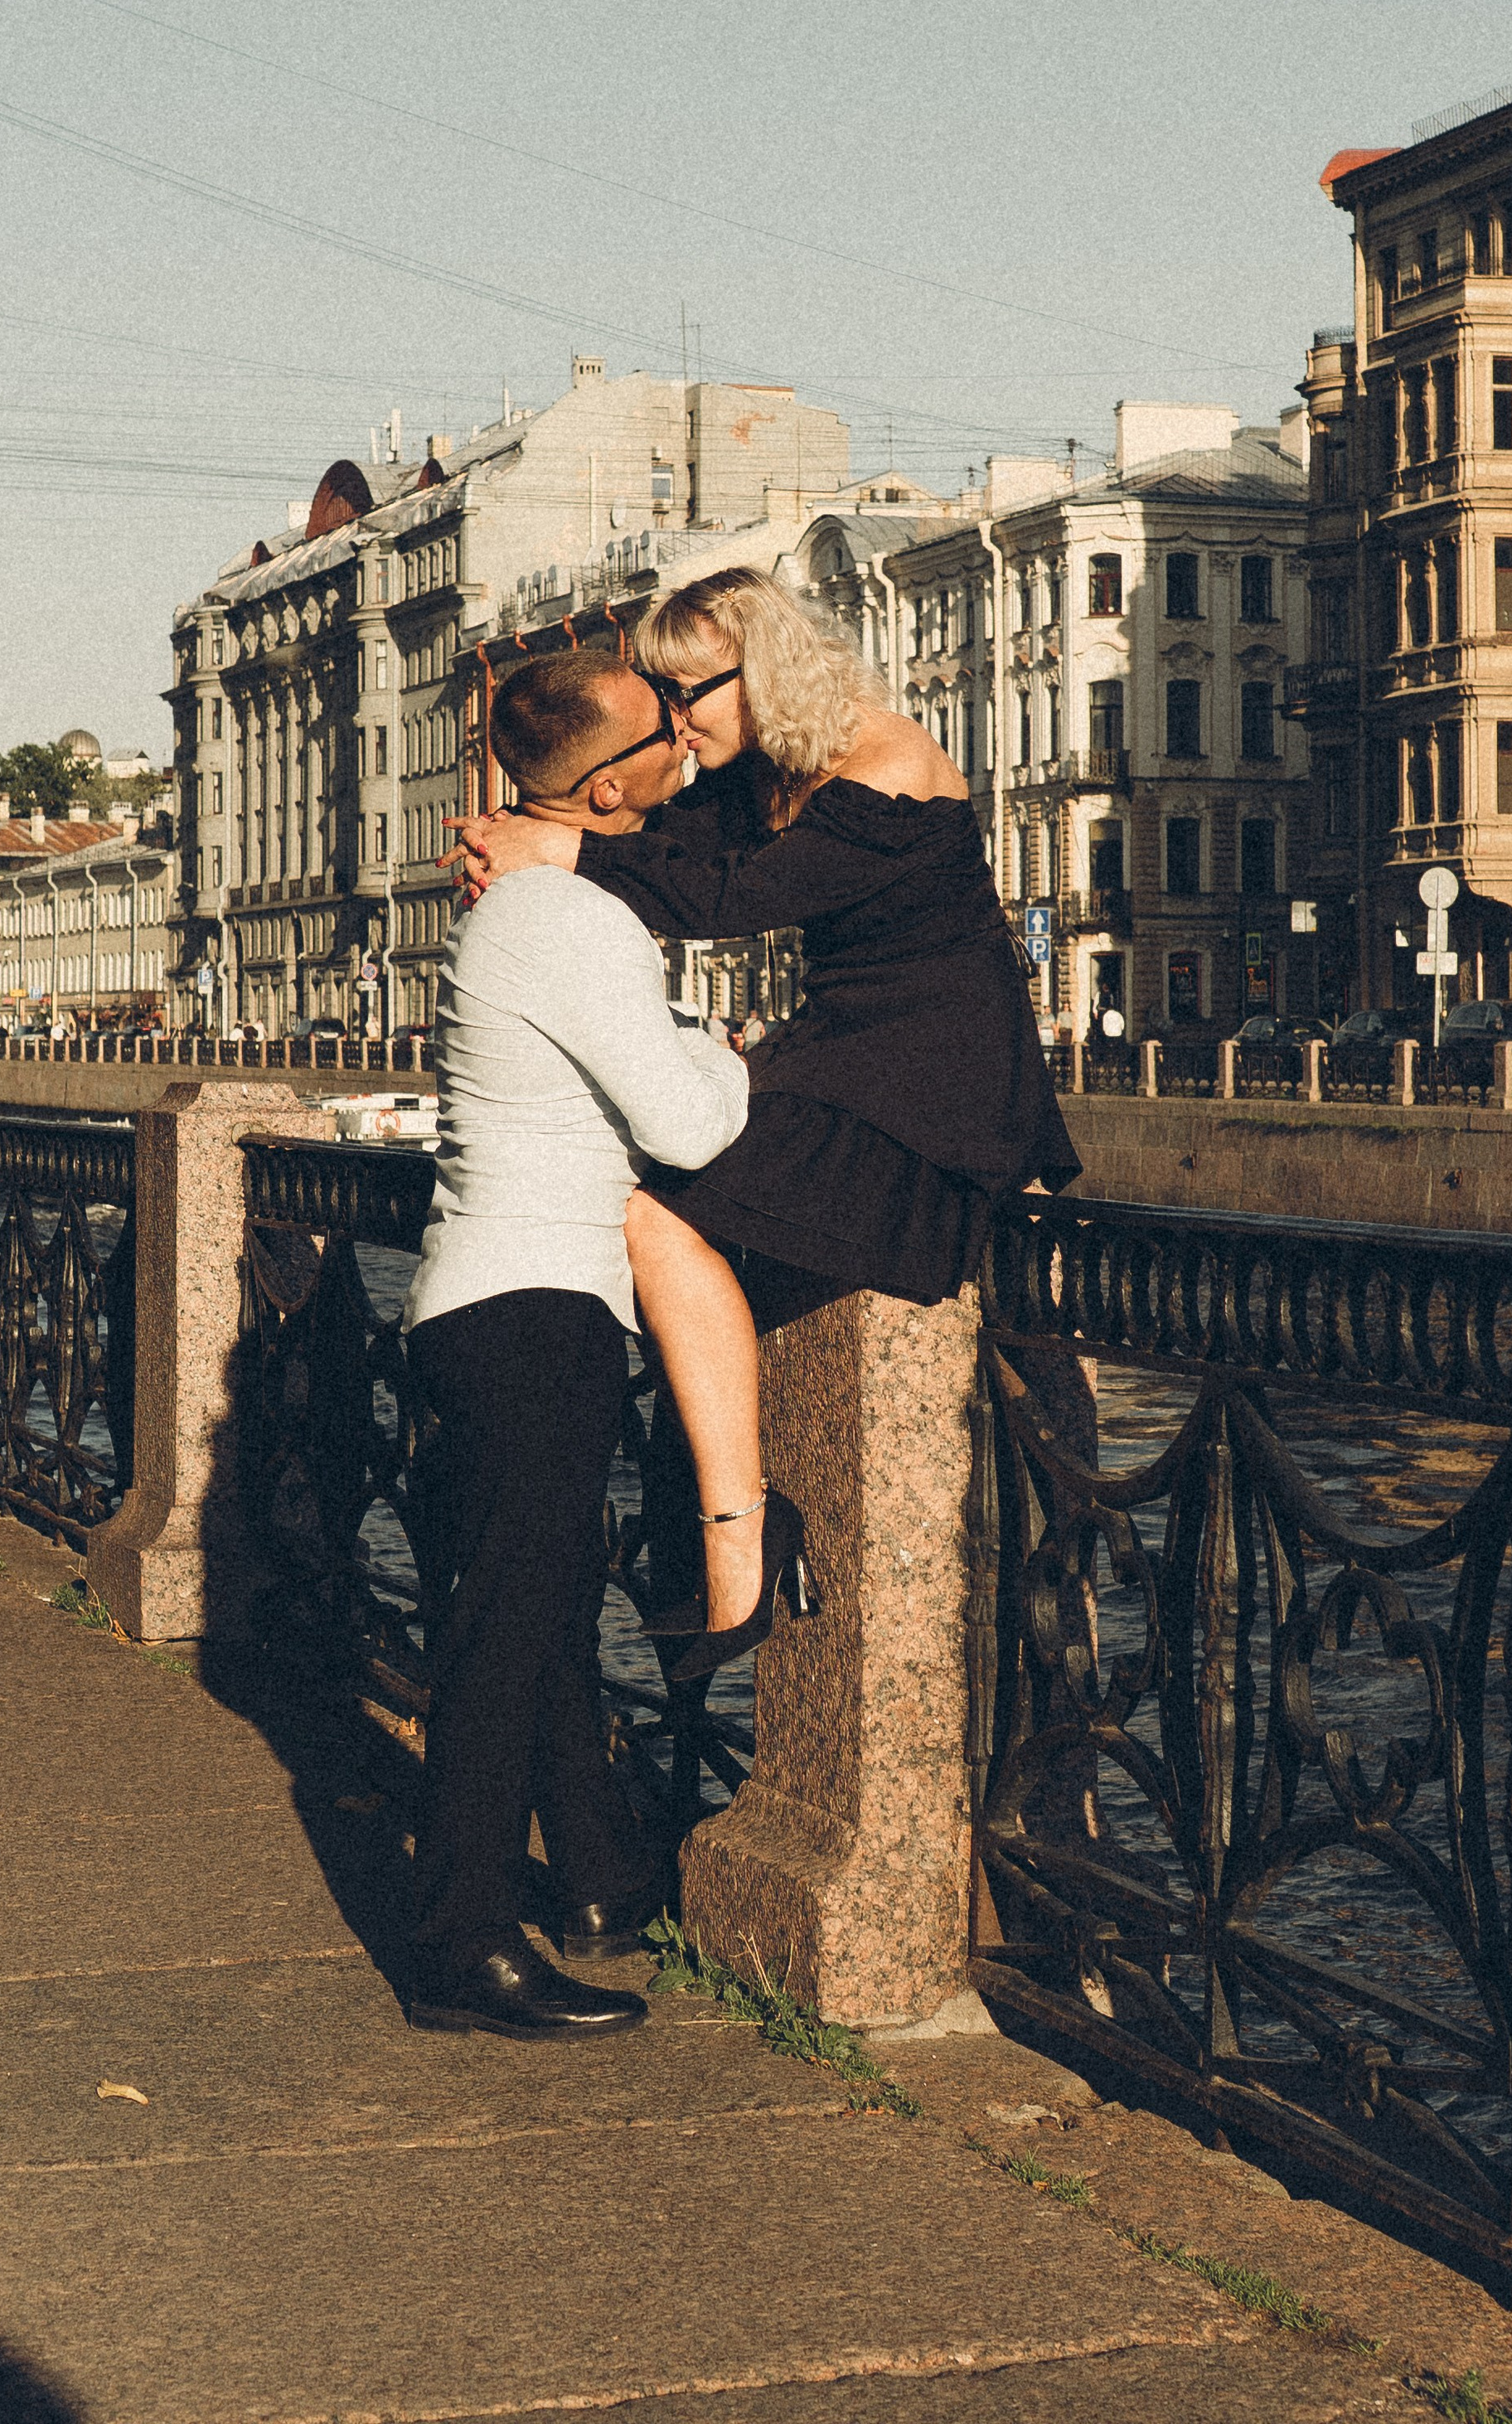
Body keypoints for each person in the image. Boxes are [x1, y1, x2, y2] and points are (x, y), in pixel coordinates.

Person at [457, 566, 1078, 1680]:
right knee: (657, 1201)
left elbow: (725, 901)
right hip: (845, 1057)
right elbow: (643, 822)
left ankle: (733, 1536)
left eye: (688, 692)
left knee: (656, 1212)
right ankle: (713, 1519)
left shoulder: (888, 766)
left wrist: (563, 853)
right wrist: (524, 830)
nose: (676, 720)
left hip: (937, 1084)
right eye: (660, 694)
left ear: (765, 672)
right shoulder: (763, 768)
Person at [401, 647, 751, 2043]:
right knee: (508, 1634)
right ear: (608, 790)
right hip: (542, 1313)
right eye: (663, 734)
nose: (684, 743)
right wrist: (725, 1047)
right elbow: (691, 1126)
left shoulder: (521, 913)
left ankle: (601, 1878)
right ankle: (460, 1939)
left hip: (478, 1305)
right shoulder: (571, 923)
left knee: (535, 1628)